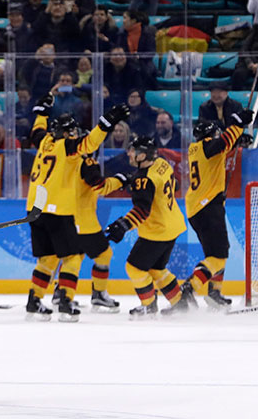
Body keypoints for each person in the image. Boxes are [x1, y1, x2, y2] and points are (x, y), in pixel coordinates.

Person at [24, 96, 129, 322]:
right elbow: (90, 143)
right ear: (66, 133)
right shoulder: (68, 148)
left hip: (34, 209)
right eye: (71, 132)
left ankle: (34, 301)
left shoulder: (45, 142)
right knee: (73, 256)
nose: (74, 135)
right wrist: (106, 122)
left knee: (48, 259)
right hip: (57, 210)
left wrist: (41, 113)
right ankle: (65, 301)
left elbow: (36, 131)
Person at [105, 136, 188, 318]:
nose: (129, 153)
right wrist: (134, 182)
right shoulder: (161, 162)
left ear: (142, 155)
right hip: (172, 225)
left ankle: (148, 306)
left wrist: (123, 225)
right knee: (157, 269)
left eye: (133, 151)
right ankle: (179, 303)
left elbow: (142, 211)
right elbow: (173, 186)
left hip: (156, 231)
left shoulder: (144, 179)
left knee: (134, 267)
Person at [180, 109, 254, 309]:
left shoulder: (195, 148)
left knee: (214, 254)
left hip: (198, 208)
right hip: (207, 208)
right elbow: (220, 144)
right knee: (219, 257)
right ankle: (189, 288)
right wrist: (237, 125)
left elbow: (221, 148)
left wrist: (236, 138)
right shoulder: (207, 146)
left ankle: (214, 293)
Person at [73, 156, 129, 312]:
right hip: (84, 221)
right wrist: (120, 180)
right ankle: (99, 294)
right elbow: (100, 187)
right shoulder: (86, 160)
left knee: (74, 257)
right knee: (104, 254)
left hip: (66, 216)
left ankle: (61, 293)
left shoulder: (63, 157)